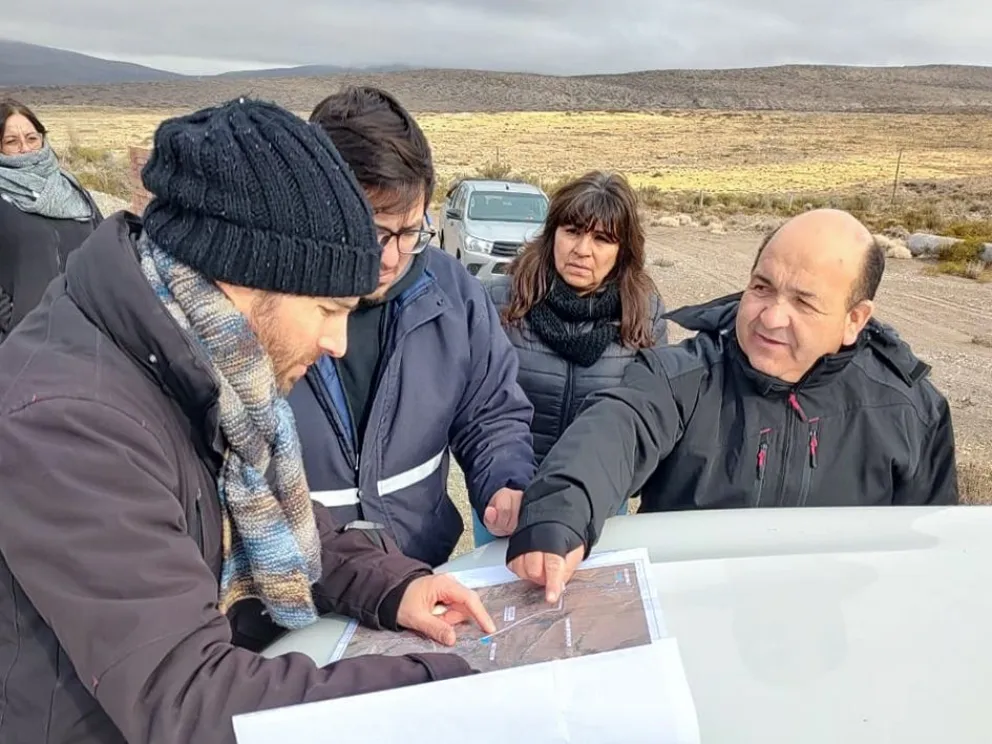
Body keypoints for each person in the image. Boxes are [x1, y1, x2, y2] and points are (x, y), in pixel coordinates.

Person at [0, 98, 494, 744]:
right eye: (326, 308)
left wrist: (387, 583)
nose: (338, 342)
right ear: (242, 279)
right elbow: (188, 698)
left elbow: (271, 510)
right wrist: (442, 690)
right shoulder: (73, 422)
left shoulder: (190, 355)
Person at [506, 208, 959, 601]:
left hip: (834, 647)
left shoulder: (911, 412)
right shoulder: (679, 377)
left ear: (854, 319)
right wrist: (556, 517)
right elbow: (613, 433)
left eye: (803, 302)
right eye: (762, 287)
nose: (771, 316)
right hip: (688, 628)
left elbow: (934, 556)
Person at [288, 86, 535, 567]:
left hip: (419, 574)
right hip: (288, 604)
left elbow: (490, 412)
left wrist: (505, 480)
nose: (391, 257)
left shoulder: (454, 293)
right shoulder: (264, 309)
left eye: (409, 231)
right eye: (373, 232)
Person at [473, 171, 669, 547]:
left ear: (623, 250)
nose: (583, 249)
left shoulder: (644, 315)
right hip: (508, 496)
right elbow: (475, 408)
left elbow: (649, 418)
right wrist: (501, 482)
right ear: (552, 234)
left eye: (602, 238)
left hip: (598, 502)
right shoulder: (498, 301)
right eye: (572, 231)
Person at [0, 98, 102, 342]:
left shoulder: (69, 187)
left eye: (32, 138)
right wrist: (11, 321)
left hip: (88, 330)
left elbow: (105, 244)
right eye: (11, 141)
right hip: (24, 339)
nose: (25, 148)